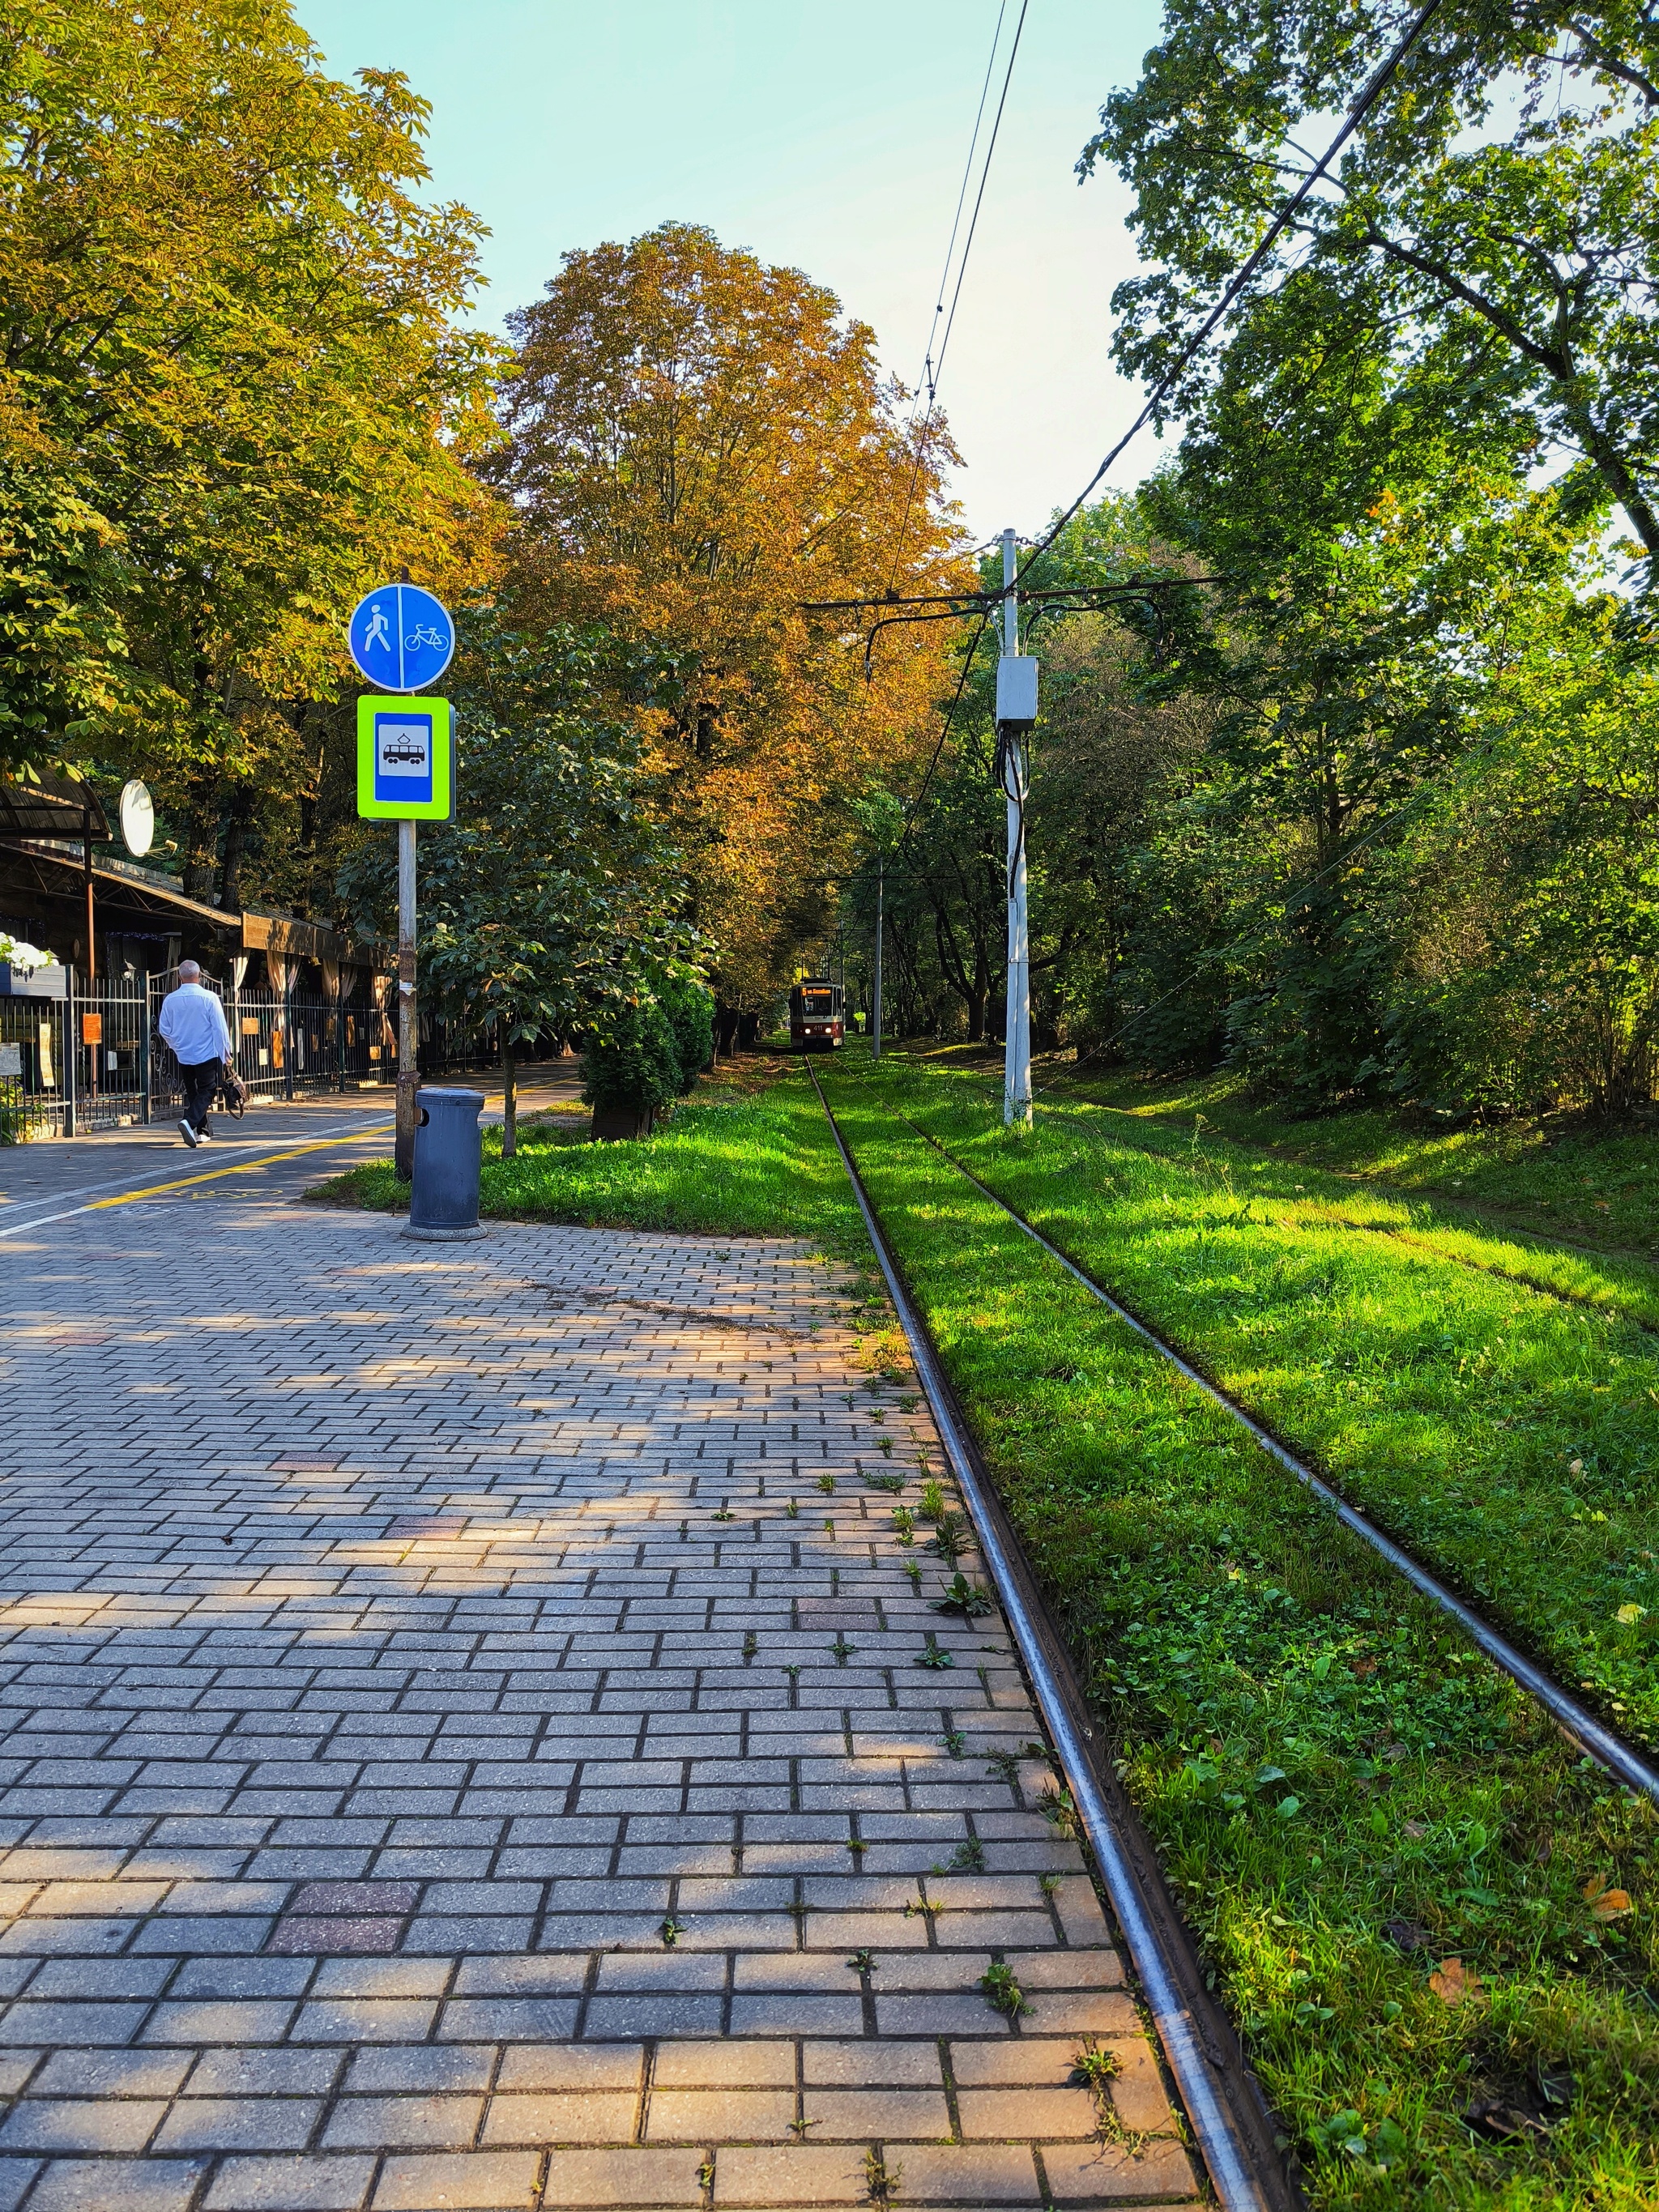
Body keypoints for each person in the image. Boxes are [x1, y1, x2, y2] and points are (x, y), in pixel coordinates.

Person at [159, 960, 233, 1147]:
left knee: (193, 1091)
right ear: (199, 975)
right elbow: (219, 1028)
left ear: (179, 976)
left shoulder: (170, 999)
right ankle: (190, 1122)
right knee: (207, 1090)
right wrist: (226, 1054)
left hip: (184, 1053)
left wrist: (176, 1045)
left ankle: (203, 1131)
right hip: (206, 1052)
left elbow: (164, 1029)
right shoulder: (209, 998)